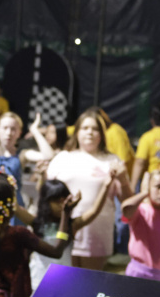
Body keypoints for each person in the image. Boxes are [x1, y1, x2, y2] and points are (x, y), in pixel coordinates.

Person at [44, 108, 131, 271]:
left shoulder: (112, 161)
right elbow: (46, 194)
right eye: (85, 128)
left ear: (102, 134)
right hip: (62, 233)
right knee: (62, 282)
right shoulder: (63, 158)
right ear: (77, 132)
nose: (89, 132)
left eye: (95, 128)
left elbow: (128, 203)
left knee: (89, 282)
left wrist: (123, 180)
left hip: (96, 235)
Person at [29, 178, 110, 291]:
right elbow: (17, 209)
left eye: (64, 200)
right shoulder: (36, 223)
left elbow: (94, 211)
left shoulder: (72, 224)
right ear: (46, 201)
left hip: (63, 281)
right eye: (57, 201)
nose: (61, 205)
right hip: (39, 279)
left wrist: (106, 186)